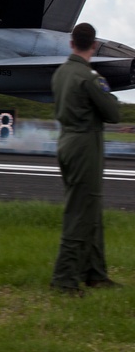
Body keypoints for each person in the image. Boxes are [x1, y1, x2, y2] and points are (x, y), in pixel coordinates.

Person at [50, 22, 121, 295]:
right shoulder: (89, 77)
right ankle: (64, 279)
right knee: (80, 213)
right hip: (85, 147)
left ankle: (95, 273)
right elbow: (113, 114)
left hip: (66, 142)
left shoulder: (61, 74)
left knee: (90, 209)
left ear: (71, 43)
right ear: (94, 45)